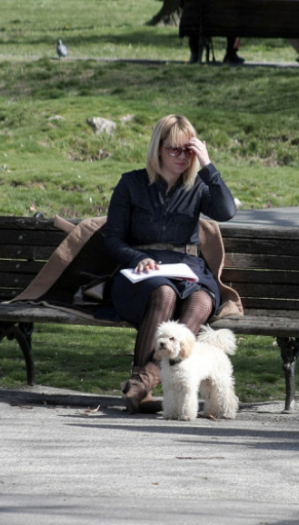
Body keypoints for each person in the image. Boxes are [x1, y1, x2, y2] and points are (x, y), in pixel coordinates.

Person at [104, 114, 238, 413]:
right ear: (158, 149)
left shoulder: (198, 187)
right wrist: (139, 258)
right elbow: (112, 240)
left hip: (186, 269)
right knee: (163, 293)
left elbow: (227, 211)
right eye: (174, 150)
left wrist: (208, 165)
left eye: (187, 150)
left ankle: (141, 383)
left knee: (202, 300)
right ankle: (146, 383)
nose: (181, 157)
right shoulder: (131, 183)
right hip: (140, 274)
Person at [179, 0, 244, 65]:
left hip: (196, 24)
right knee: (230, 18)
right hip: (220, 23)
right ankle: (231, 54)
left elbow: (181, 4)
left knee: (194, 17)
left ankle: (195, 54)